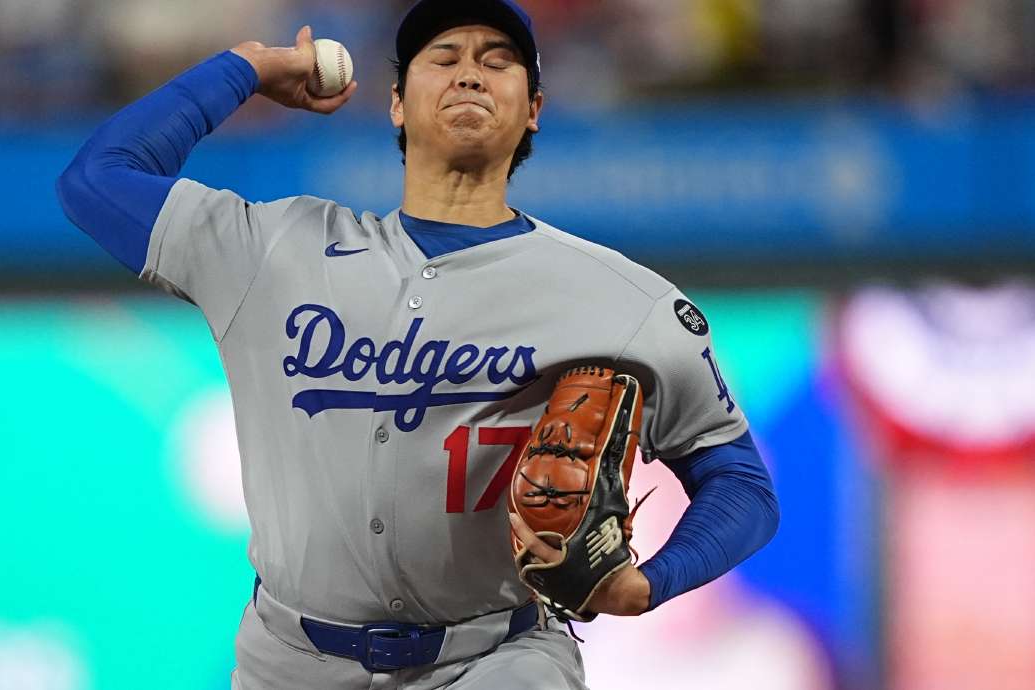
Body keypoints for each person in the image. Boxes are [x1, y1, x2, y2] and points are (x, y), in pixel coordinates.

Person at [56, 1, 779, 688]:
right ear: (396, 102)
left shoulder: (624, 299)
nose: (469, 71)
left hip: (497, 658)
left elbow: (740, 484)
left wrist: (648, 583)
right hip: (290, 661)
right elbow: (97, 179)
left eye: (497, 60)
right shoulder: (272, 248)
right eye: (444, 56)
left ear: (534, 108)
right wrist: (246, 67)